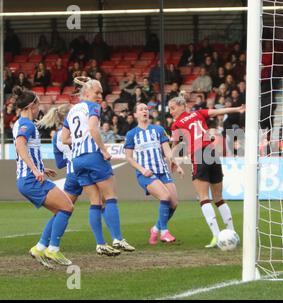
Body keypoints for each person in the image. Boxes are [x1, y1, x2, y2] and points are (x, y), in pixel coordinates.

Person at [61, 76, 135, 253]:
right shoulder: (92, 106)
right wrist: (103, 149)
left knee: (95, 201)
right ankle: (117, 239)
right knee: (110, 197)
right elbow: (94, 129)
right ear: (86, 93)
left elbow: (64, 139)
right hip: (93, 156)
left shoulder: (71, 111)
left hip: (77, 160)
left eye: (101, 92)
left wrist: (80, 140)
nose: (100, 96)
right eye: (97, 92)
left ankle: (101, 244)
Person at [37, 104, 121, 256]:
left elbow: (60, 163)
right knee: (103, 201)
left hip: (72, 173)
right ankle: (113, 239)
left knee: (62, 210)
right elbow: (93, 134)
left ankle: (42, 244)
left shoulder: (57, 137)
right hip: (88, 164)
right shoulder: (83, 128)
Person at [169, 96, 245, 248]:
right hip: (212, 153)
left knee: (203, 198)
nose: (171, 112)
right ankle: (232, 234)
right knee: (218, 197)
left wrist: (173, 160)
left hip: (199, 155)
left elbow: (174, 145)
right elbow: (218, 111)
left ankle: (217, 237)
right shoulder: (198, 113)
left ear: (182, 106)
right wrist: (237, 109)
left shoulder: (176, 124)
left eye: (173, 108)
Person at [12, 86, 74, 268]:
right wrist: (35, 170)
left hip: (28, 178)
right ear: (32, 106)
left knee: (60, 211)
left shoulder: (21, 123)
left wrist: (41, 168)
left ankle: (39, 248)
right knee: (67, 207)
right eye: (38, 103)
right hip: (31, 180)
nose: (40, 106)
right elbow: (20, 146)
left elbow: (25, 150)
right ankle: (53, 249)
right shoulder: (27, 124)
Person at [125, 103, 184, 245]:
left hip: (162, 171)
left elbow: (167, 150)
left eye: (146, 109)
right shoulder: (131, 134)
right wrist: (141, 169)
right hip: (146, 174)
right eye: (141, 109)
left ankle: (156, 228)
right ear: (135, 115)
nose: (144, 111)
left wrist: (175, 163)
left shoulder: (158, 129)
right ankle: (164, 232)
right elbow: (129, 157)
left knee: (174, 203)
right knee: (165, 196)